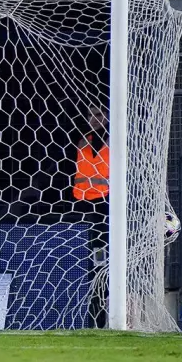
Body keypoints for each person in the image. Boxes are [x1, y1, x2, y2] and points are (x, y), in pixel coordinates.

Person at [72, 104, 110, 328]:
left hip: (104, 208)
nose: (94, 119)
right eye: (90, 115)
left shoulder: (114, 142)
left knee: (100, 260)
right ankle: (91, 313)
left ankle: (101, 313)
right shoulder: (82, 141)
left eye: (98, 114)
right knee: (89, 260)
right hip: (81, 208)